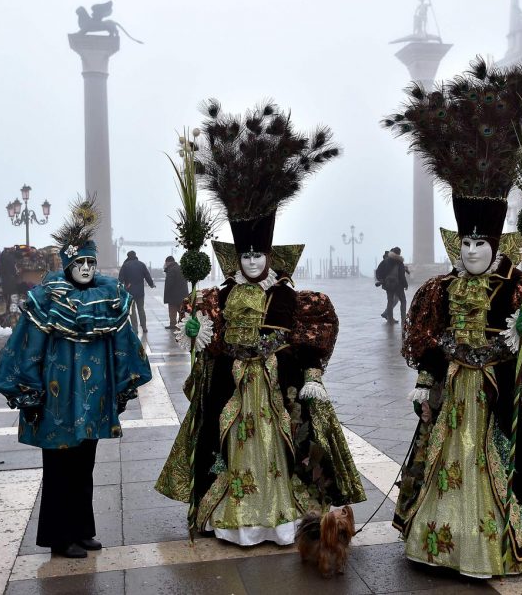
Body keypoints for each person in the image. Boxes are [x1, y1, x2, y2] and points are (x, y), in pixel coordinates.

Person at [384, 59, 522, 577]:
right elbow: (427, 340)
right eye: (465, 242)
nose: (471, 251)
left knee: (501, 463)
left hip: (499, 392)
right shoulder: (439, 289)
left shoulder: (520, 285)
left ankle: (499, 541)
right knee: (447, 460)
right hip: (453, 392)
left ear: (495, 243)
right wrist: (426, 382)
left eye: (480, 242)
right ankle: (442, 540)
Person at [156, 99, 365, 545]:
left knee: (281, 445)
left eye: (258, 253)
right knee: (231, 445)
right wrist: (197, 332)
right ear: (237, 255)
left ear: (269, 255)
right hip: (233, 384)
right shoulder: (220, 293)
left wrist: (311, 374)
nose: (251, 260)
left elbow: (306, 338)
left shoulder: (289, 295)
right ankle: (233, 517)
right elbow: (206, 337)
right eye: (245, 253)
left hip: (274, 383)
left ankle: (278, 515)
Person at [0, 198, 152, 558]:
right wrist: (29, 391)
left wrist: (125, 382)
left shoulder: (106, 297)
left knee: (85, 464)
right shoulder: (48, 299)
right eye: (79, 262)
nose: (85, 268)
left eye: (90, 262)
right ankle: (59, 537)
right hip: (56, 399)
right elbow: (28, 347)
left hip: (92, 400)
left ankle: (82, 529)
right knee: (60, 468)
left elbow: (122, 343)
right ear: (67, 264)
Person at [118, 250, 155, 333]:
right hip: (140, 292)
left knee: (132, 311)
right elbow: (147, 276)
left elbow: (120, 279)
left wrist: (120, 288)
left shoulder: (125, 265)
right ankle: (144, 327)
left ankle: (135, 329)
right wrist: (151, 284)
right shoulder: (141, 264)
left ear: (128, 256)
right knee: (141, 309)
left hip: (129, 291)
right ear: (135, 255)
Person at [375, 247, 409, 323]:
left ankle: (390, 319)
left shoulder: (386, 261)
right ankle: (403, 319)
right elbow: (401, 276)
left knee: (390, 301)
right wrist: (405, 284)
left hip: (388, 285)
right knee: (403, 301)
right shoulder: (399, 262)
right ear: (399, 253)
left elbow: (378, 271)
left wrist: (381, 279)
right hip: (398, 286)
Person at [162, 255, 188, 330]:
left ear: (168, 262)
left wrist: (167, 294)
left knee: (172, 310)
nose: (165, 264)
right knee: (181, 310)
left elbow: (169, 283)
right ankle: (183, 324)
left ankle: (173, 324)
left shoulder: (171, 270)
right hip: (183, 293)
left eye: (166, 263)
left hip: (173, 294)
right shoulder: (180, 268)